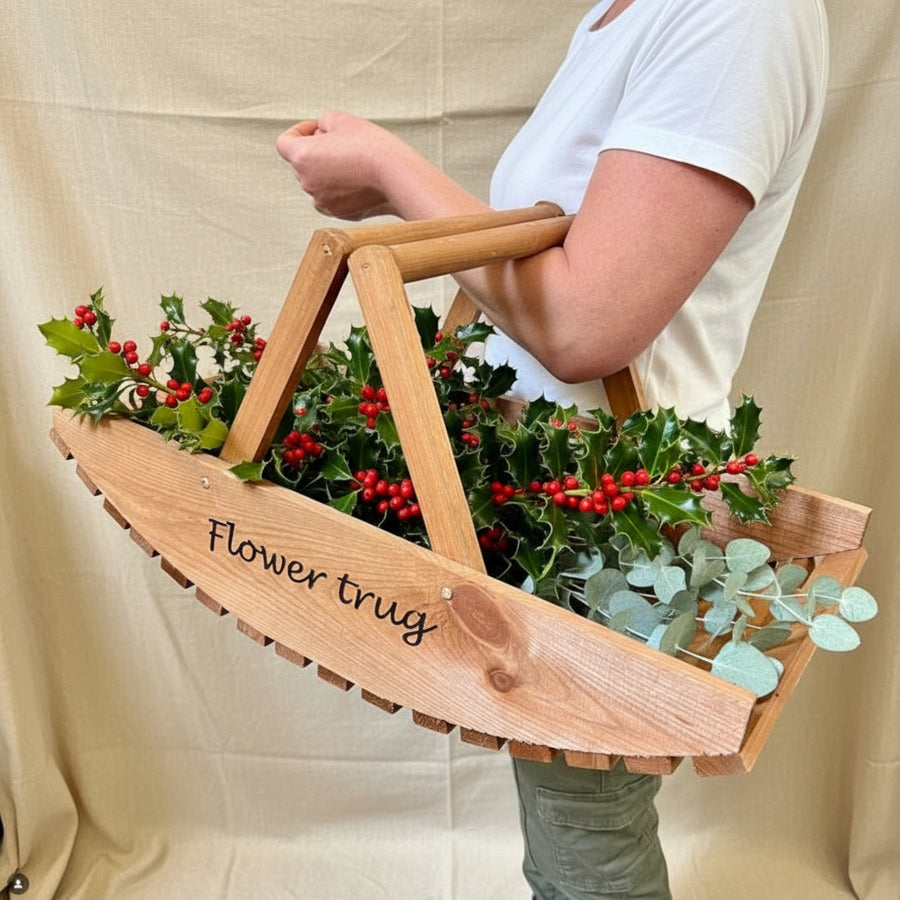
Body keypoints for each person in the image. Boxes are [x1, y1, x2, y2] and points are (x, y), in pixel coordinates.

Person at [275, 0, 829, 896]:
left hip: (612, 523)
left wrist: (387, 170)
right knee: (565, 830)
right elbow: (551, 266)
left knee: (588, 850)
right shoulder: (630, 13)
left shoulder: (739, 16)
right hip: (545, 503)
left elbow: (583, 323)